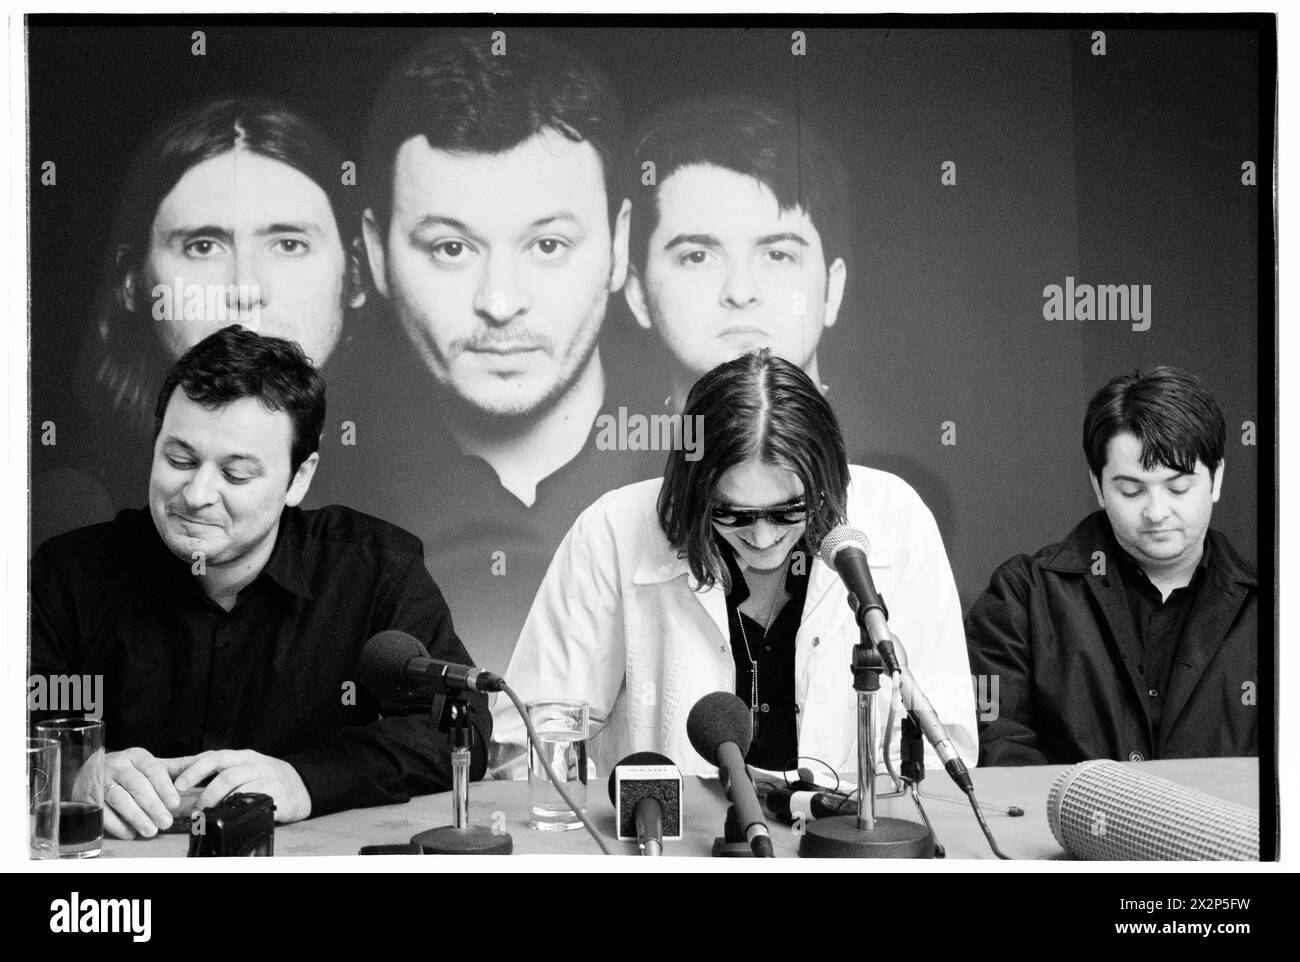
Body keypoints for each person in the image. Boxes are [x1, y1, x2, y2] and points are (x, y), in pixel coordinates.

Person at [30, 326, 489, 839]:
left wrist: (305, 781)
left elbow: (456, 729)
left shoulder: (375, 569)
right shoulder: (68, 575)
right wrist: (74, 773)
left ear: (299, 478)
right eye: (179, 460)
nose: (197, 493)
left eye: (237, 474)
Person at [491, 350, 978, 778]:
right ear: (693, 488)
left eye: (789, 510)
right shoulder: (612, 530)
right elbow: (527, 740)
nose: (762, 537)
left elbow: (943, 738)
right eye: (731, 513)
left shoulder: (896, 517)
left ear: (829, 481)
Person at [355, 31, 658, 674]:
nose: (498, 301)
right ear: (378, 254)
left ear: (619, 243)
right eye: (450, 248)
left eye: (547, 245)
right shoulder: (316, 489)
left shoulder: (704, 464)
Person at [37, 97, 369, 544]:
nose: (246, 288)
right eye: (203, 246)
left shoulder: (410, 509)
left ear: (354, 277)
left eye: (289, 244)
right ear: (132, 284)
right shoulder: (67, 516)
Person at [966, 366, 1257, 766]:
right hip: (1064, 829)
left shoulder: (1273, 610)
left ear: (1217, 478)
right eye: (1131, 490)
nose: (1157, 512)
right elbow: (997, 747)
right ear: (1098, 486)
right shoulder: (1023, 598)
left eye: (1178, 487)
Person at [624, 98, 848, 410]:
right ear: (637, 294)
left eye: (778, 255)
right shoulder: (616, 448)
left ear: (832, 291)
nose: (741, 292)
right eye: (698, 257)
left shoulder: (881, 459)